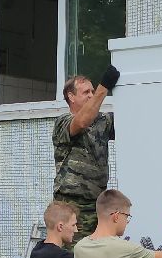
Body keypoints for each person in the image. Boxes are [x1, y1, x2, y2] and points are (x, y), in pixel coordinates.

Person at [52, 65, 121, 242]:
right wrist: (104, 87)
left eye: (92, 91)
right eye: (85, 92)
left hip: (98, 203)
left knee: (97, 254)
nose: (91, 95)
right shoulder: (63, 122)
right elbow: (81, 122)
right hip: (71, 204)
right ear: (71, 97)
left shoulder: (103, 120)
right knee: (72, 257)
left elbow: (133, 120)